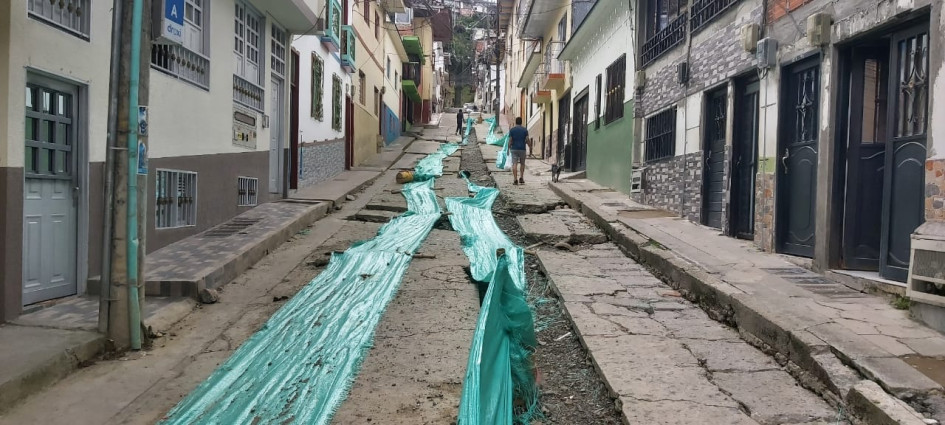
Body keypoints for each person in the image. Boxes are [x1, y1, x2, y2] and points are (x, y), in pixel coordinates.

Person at [507, 117, 528, 185]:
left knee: (514, 164)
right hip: (522, 149)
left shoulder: (512, 130)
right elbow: (527, 139)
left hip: (514, 149)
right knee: (522, 163)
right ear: (521, 122)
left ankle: (515, 179)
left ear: (516, 122)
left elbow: (510, 140)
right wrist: (530, 147)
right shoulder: (525, 130)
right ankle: (521, 178)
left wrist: (508, 148)